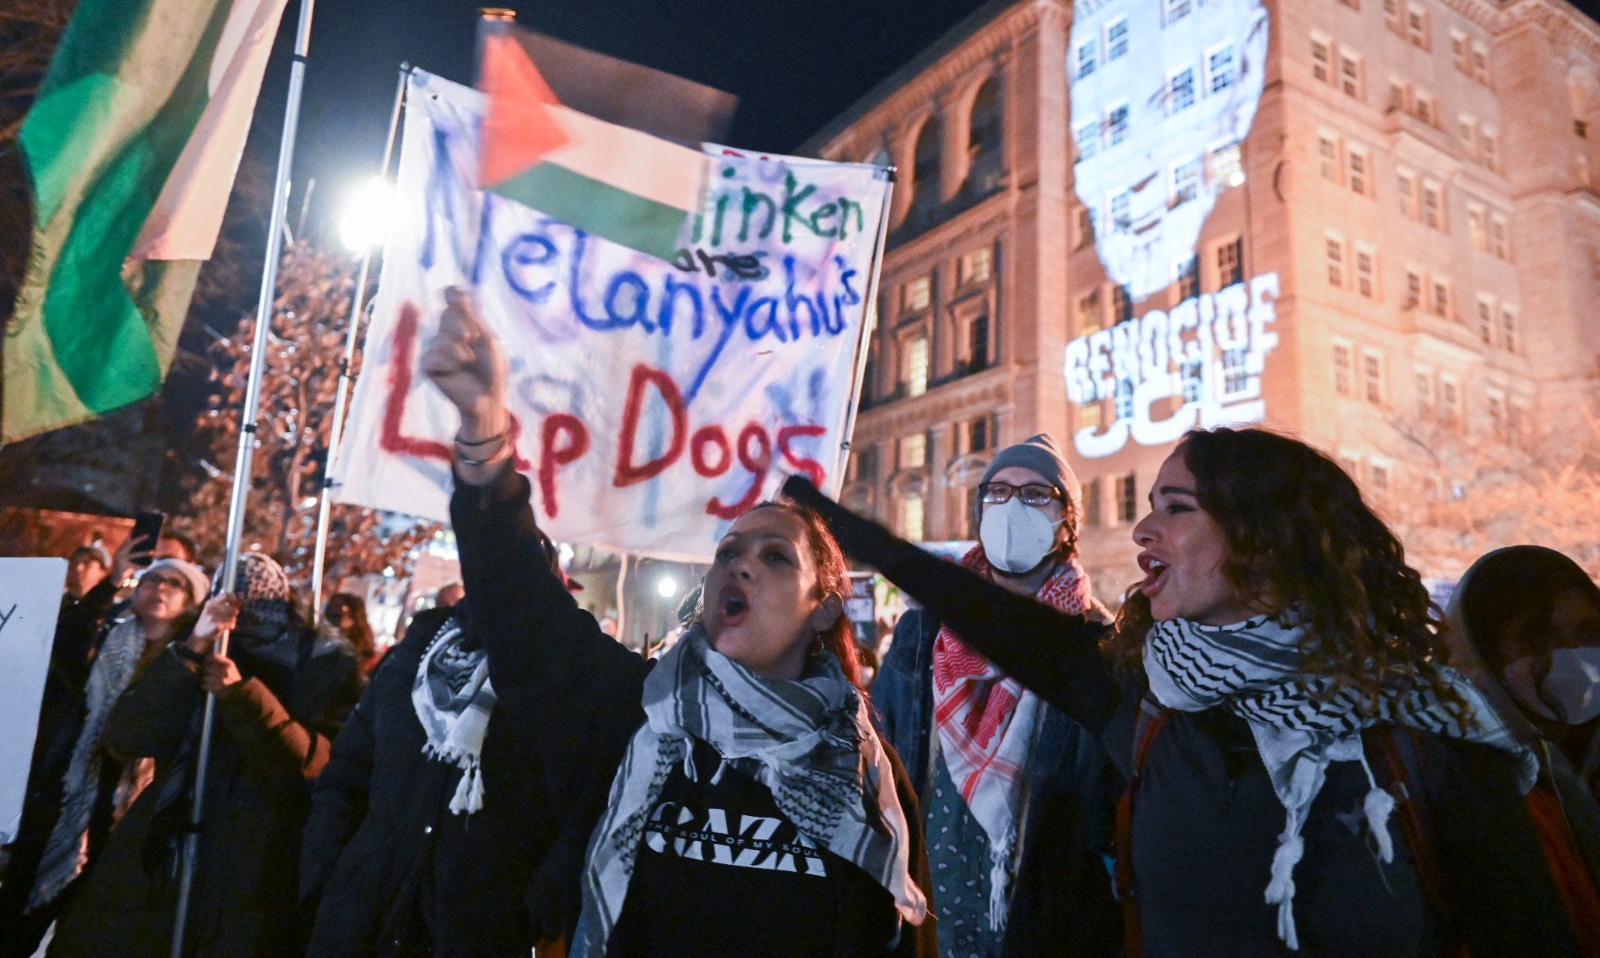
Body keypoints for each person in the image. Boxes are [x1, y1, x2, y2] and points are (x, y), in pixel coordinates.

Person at [784, 426, 1578, 956]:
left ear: (1263, 537)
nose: (1143, 531)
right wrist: (846, 529)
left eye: (1177, 508)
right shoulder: (1141, 694)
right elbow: (983, 612)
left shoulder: (1426, 738)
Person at [421, 288, 933, 957]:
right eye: (728, 552)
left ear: (825, 607)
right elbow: (524, 614)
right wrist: (484, 430)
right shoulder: (634, 713)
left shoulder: (864, 774)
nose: (740, 566)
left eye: (775, 556)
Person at [872, 435, 1120, 957]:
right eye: (998, 492)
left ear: (1066, 521)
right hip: (927, 906)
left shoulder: (1098, 644)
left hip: (1041, 916)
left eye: (1035, 494)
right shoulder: (922, 632)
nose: (1012, 506)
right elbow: (881, 758)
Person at [45, 553, 363, 958]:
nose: (242, 613)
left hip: (256, 864)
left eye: (254, 601)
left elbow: (315, 768)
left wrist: (242, 696)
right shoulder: (197, 643)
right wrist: (192, 649)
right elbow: (127, 736)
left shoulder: (324, 664)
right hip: (166, 849)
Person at [303, 569, 577, 957]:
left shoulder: (559, 684)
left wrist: (536, 912)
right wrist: (329, 875)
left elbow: (581, 809)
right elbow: (345, 776)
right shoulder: (408, 661)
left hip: (476, 930)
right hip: (362, 915)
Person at [0, 559, 208, 958]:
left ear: (191, 601)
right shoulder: (106, 639)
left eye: (174, 584)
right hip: (66, 798)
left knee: (86, 931)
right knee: (18, 918)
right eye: (151, 579)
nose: (159, 588)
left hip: (129, 813)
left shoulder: (190, 662)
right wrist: (109, 583)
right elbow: (63, 642)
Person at [1445, 545, 1600, 948]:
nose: (1572, 658)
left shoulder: (1574, 758)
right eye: (1536, 639)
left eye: (1587, 633)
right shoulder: (1465, 785)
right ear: (1480, 654)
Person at [323, 591, 380, 674]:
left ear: (353, 616)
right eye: (331, 607)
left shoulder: (366, 656)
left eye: (339, 609)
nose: (333, 612)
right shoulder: (323, 641)